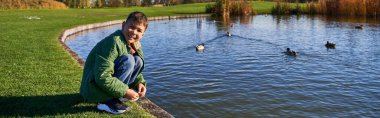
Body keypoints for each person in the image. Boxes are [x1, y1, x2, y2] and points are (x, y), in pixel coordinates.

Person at [80, 11, 148, 114]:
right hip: (93, 89)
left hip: (105, 85)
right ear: (123, 25)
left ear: (143, 34)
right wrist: (125, 91)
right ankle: (106, 101)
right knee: (128, 60)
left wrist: (139, 83)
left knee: (137, 60)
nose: (134, 32)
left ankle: (116, 97)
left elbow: (135, 68)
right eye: (131, 27)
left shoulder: (135, 44)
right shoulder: (113, 42)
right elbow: (102, 76)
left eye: (139, 30)